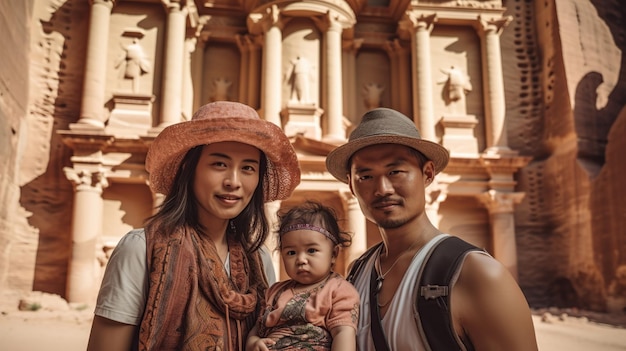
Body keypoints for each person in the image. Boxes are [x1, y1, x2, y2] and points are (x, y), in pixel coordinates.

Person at [86, 101, 301, 351]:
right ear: (189, 168)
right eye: (219, 164)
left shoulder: (259, 259)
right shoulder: (140, 250)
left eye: (248, 168)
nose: (234, 181)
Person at [325, 108, 538, 350]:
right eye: (365, 177)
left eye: (395, 172)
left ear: (427, 174)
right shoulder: (358, 272)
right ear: (351, 186)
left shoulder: (477, 275)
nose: (382, 188)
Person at [246, 201, 359, 351]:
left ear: (333, 254)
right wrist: (253, 342)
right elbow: (257, 328)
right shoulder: (274, 292)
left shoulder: (338, 290)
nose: (300, 260)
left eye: (311, 250)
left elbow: (343, 333)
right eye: (291, 252)